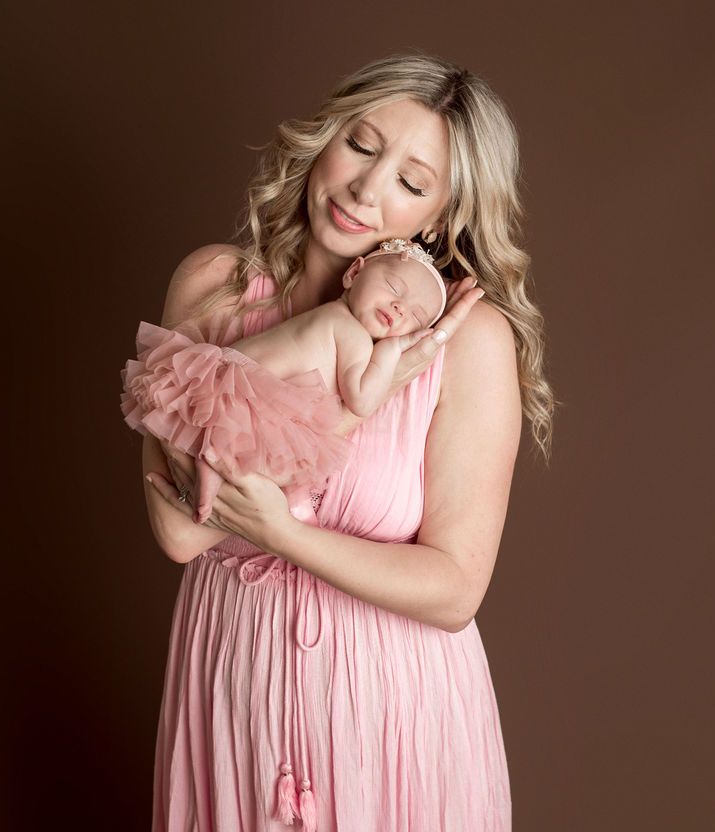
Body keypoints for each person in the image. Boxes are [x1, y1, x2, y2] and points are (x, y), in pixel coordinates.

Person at [138, 53, 555, 831]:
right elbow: (177, 530)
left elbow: (455, 588)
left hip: (393, 715)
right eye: (362, 146)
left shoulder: (468, 344)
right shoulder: (212, 286)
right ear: (325, 140)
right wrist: (350, 392)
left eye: (411, 180)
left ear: (437, 216)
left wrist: (279, 533)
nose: (368, 188)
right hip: (236, 692)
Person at [121, 239, 459, 526]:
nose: (400, 307)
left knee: (230, 450)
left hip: (225, 375)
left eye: (413, 318)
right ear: (354, 273)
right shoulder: (351, 332)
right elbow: (361, 400)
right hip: (247, 391)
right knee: (255, 458)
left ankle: (209, 480)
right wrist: (394, 350)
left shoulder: (331, 314)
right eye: (393, 288)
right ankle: (217, 483)